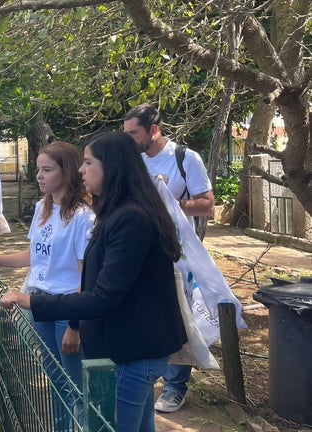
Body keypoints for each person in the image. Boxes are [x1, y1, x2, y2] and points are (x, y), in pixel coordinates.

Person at [0, 131, 187, 432]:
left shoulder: (131, 219)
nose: (81, 170)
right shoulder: (115, 213)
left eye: (88, 162)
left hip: (134, 351)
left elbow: (104, 296)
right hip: (127, 348)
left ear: (111, 167)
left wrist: (29, 300)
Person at [0, 141, 94, 432]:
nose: (39, 175)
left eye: (47, 170)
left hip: (66, 308)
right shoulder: (43, 207)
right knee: (54, 378)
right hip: (39, 303)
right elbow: (35, 256)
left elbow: (85, 275)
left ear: (67, 172)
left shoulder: (83, 218)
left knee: (73, 383)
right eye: (38, 169)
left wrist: (75, 325)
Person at [123, 103, 214, 413]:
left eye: (134, 133)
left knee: (178, 315)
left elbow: (206, 204)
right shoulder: (131, 160)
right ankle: (147, 375)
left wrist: (169, 202)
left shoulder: (185, 158)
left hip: (176, 253)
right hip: (138, 250)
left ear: (154, 130)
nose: (129, 139)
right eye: (127, 133)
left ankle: (175, 386)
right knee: (146, 311)